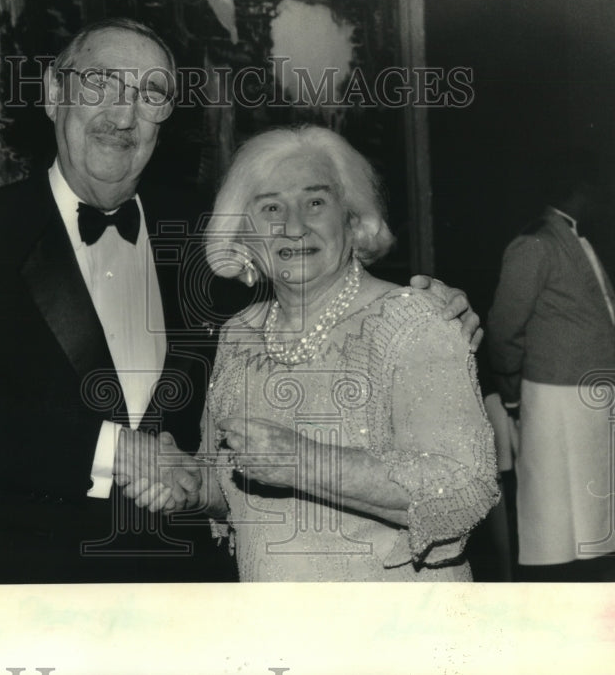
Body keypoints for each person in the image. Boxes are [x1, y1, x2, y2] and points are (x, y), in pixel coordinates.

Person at [0, 18, 482, 584]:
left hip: (187, 579)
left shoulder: (206, 234)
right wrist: (119, 452)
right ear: (53, 94)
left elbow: (321, 286)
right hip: (33, 582)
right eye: (101, 84)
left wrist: (440, 306)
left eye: (150, 94)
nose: (124, 114)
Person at [191, 125, 499, 582]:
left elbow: (465, 488)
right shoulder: (237, 336)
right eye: (271, 207)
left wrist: (308, 462)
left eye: (316, 202)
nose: (294, 226)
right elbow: (233, 488)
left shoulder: (413, 321)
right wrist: (184, 483)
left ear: (353, 221)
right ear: (245, 236)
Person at [486, 155, 615, 581]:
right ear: (577, 191)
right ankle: (553, 590)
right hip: (551, 397)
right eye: (596, 192)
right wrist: (512, 393)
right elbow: (504, 327)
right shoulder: (535, 244)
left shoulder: (574, 240)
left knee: (589, 518)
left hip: (587, 399)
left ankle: (583, 580)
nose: (602, 202)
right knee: (552, 521)